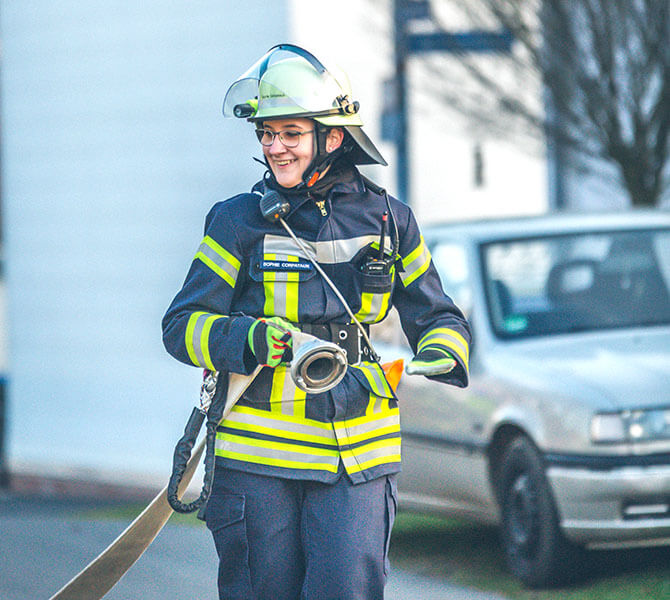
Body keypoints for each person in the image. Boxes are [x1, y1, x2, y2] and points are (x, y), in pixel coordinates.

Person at [162, 44, 471, 600]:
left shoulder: (390, 219)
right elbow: (181, 326)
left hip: (359, 453)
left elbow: (438, 315)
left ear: (332, 137)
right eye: (265, 134)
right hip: (259, 462)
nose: (274, 148)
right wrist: (250, 337)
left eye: (289, 133)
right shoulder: (237, 221)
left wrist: (441, 352)